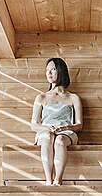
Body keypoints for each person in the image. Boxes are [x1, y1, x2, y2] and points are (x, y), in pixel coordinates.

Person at [31, 57, 83, 185]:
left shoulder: (73, 98)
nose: (49, 73)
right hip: (45, 132)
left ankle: (58, 180)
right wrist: (47, 128)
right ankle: (48, 180)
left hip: (66, 133)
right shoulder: (41, 97)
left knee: (59, 140)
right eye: (47, 70)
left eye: (53, 69)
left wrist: (65, 128)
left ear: (61, 71)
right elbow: (34, 124)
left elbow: (79, 125)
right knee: (49, 137)